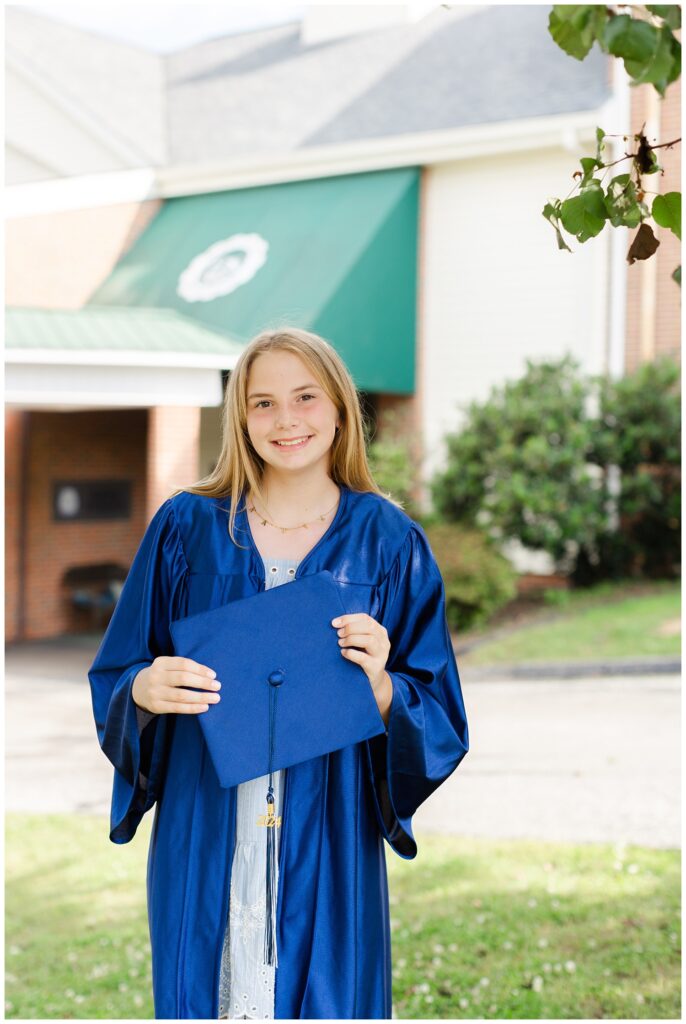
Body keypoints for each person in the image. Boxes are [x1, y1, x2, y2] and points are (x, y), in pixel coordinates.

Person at [88, 326, 470, 1020]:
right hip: (205, 815)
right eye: (262, 403)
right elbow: (119, 670)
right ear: (240, 417)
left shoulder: (388, 542)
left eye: (305, 397)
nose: (285, 420)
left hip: (330, 818)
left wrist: (384, 688)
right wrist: (142, 691)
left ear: (341, 409)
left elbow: (438, 709)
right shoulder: (185, 529)